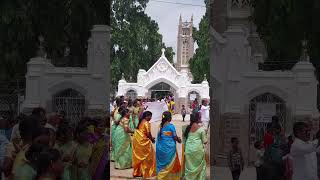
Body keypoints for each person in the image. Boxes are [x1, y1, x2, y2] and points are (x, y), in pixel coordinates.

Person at [156, 111, 182, 179]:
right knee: (170, 163)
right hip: (169, 148)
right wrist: (179, 140)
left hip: (161, 148)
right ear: (169, 118)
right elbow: (175, 137)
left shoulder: (160, 126)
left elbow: (159, 136)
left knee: (163, 163)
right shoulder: (171, 126)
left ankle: (161, 176)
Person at [183, 112, 207, 180]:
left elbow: (184, 139)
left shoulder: (186, 128)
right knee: (200, 166)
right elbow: (205, 142)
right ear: (198, 119)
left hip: (188, 150)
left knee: (189, 165)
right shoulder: (201, 129)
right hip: (198, 151)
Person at [132, 111, 156, 178]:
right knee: (149, 156)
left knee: (140, 157)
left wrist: (150, 137)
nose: (151, 118)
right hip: (143, 141)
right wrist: (152, 139)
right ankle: (146, 172)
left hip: (138, 140)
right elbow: (148, 134)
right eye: (150, 116)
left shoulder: (141, 121)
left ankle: (138, 172)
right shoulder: (146, 123)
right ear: (147, 116)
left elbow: (143, 131)